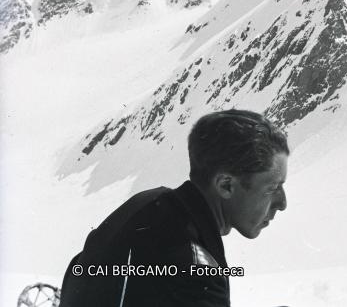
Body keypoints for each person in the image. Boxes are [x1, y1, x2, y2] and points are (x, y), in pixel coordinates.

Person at [60, 109, 289, 307]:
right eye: (272, 188)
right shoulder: (196, 275)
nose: (282, 203)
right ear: (226, 185)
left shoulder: (146, 205)